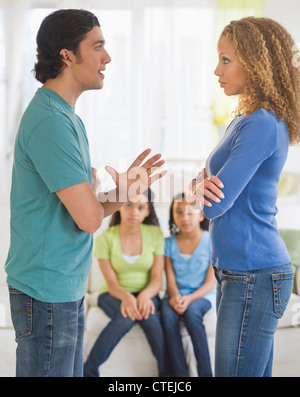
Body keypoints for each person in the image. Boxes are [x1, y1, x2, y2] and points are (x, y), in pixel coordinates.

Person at [5, 9, 166, 377]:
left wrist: (123, 192)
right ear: (67, 55)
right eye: (97, 46)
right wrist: (100, 196)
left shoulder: (67, 117)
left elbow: (85, 213)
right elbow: (90, 217)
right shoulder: (50, 121)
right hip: (47, 290)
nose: (106, 57)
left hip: (62, 286)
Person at [188, 17, 300, 377]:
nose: (216, 70)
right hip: (239, 272)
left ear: (254, 63)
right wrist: (198, 186)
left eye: (226, 59)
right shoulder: (245, 119)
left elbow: (214, 202)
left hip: (254, 273)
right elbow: (208, 188)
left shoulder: (262, 123)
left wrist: (199, 189)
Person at [83, 189, 170, 377]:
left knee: (151, 319)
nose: (134, 212)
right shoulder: (105, 238)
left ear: (147, 211)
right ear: (120, 207)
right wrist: (127, 298)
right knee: (125, 318)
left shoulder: (154, 234)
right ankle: (88, 371)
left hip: (147, 292)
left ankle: (167, 376)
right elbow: (112, 283)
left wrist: (145, 296)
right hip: (113, 293)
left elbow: (156, 279)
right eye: (128, 205)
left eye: (141, 207)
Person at [161, 193, 216, 377]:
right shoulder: (168, 243)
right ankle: (180, 376)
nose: (184, 217)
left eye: (190, 212)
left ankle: (205, 374)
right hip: (175, 294)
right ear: (173, 216)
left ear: (201, 215)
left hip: (202, 296)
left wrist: (190, 298)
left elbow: (210, 282)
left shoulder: (211, 241)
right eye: (178, 212)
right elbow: (170, 279)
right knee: (167, 316)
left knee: (192, 314)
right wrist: (176, 296)